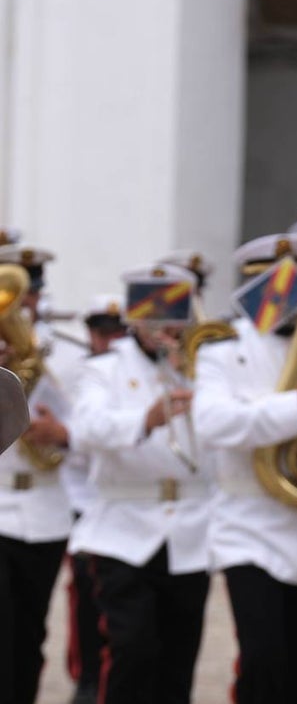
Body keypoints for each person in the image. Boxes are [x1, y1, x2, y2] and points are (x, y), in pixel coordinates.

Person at [193, 231, 297, 704]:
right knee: (263, 661)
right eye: (280, 285)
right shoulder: (221, 351)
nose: (292, 296)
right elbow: (211, 422)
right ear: (255, 286)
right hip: (249, 526)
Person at [68, 263, 212, 704]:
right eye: (153, 318)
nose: (164, 329)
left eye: (173, 318)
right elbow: (87, 427)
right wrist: (144, 419)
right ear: (135, 318)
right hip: (123, 529)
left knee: (178, 655)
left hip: (188, 531)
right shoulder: (104, 368)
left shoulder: (201, 367)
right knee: (131, 649)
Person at [0, 244, 75, 704]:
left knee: (29, 638)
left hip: (46, 512)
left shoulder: (59, 353)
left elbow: (81, 415)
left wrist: (60, 430)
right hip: (0, 509)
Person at [62, 294, 129, 704]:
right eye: (101, 332)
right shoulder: (75, 371)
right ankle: (86, 675)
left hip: (116, 497)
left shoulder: (129, 373)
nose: (109, 340)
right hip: (76, 495)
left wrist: (67, 437)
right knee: (84, 595)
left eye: (116, 332)